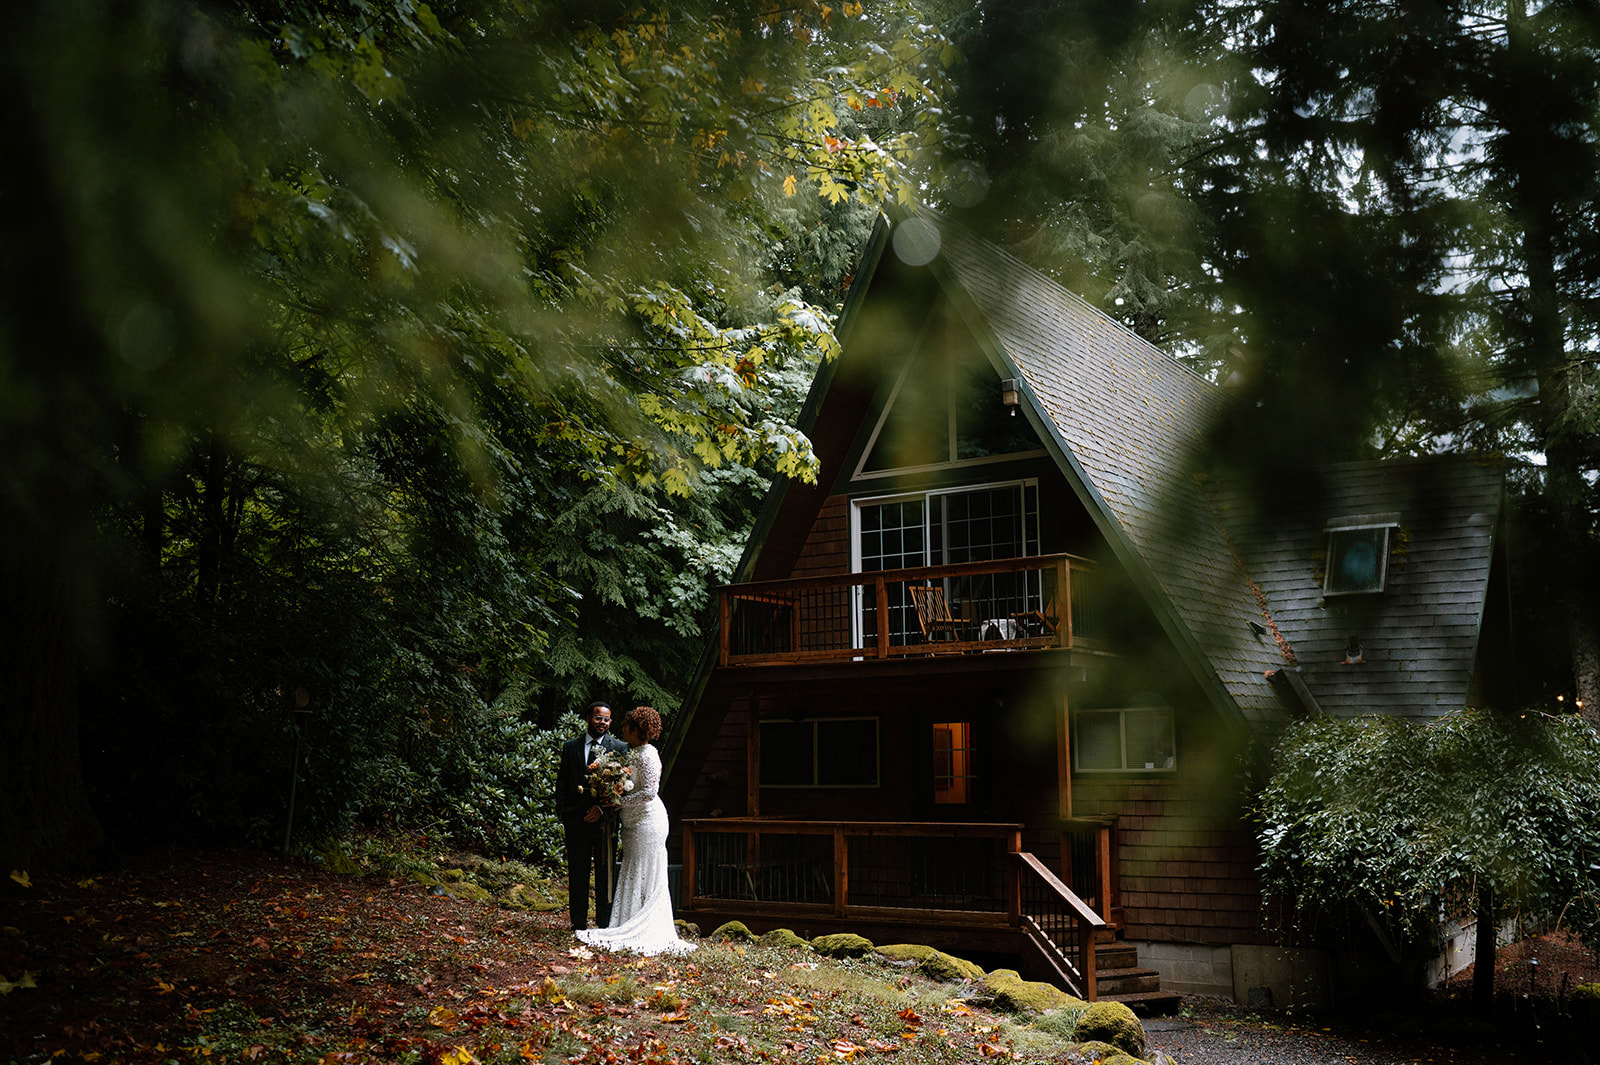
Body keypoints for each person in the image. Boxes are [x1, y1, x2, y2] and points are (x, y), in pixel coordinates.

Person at [576, 706, 696, 956]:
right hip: (633, 823)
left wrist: (618, 801)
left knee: (645, 869)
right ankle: (628, 919)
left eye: (626, 727)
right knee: (634, 868)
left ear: (636, 729)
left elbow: (650, 793)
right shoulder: (635, 752)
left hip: (648, 823)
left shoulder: (648, 755)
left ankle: (644, 923)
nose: (622, 731)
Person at [557, 700, 629, 931]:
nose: (603, 723)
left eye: (607, 719)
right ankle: (578, 923)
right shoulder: (570, 747)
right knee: (578, 872)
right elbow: (562, 784)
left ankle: (604, 923)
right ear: (589, 718)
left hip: (604, 823)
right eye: (599, 718)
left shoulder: (619, 747)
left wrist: (602, 809)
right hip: (576, 822)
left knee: (604, 872)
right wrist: (566, 815)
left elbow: (621, 787)